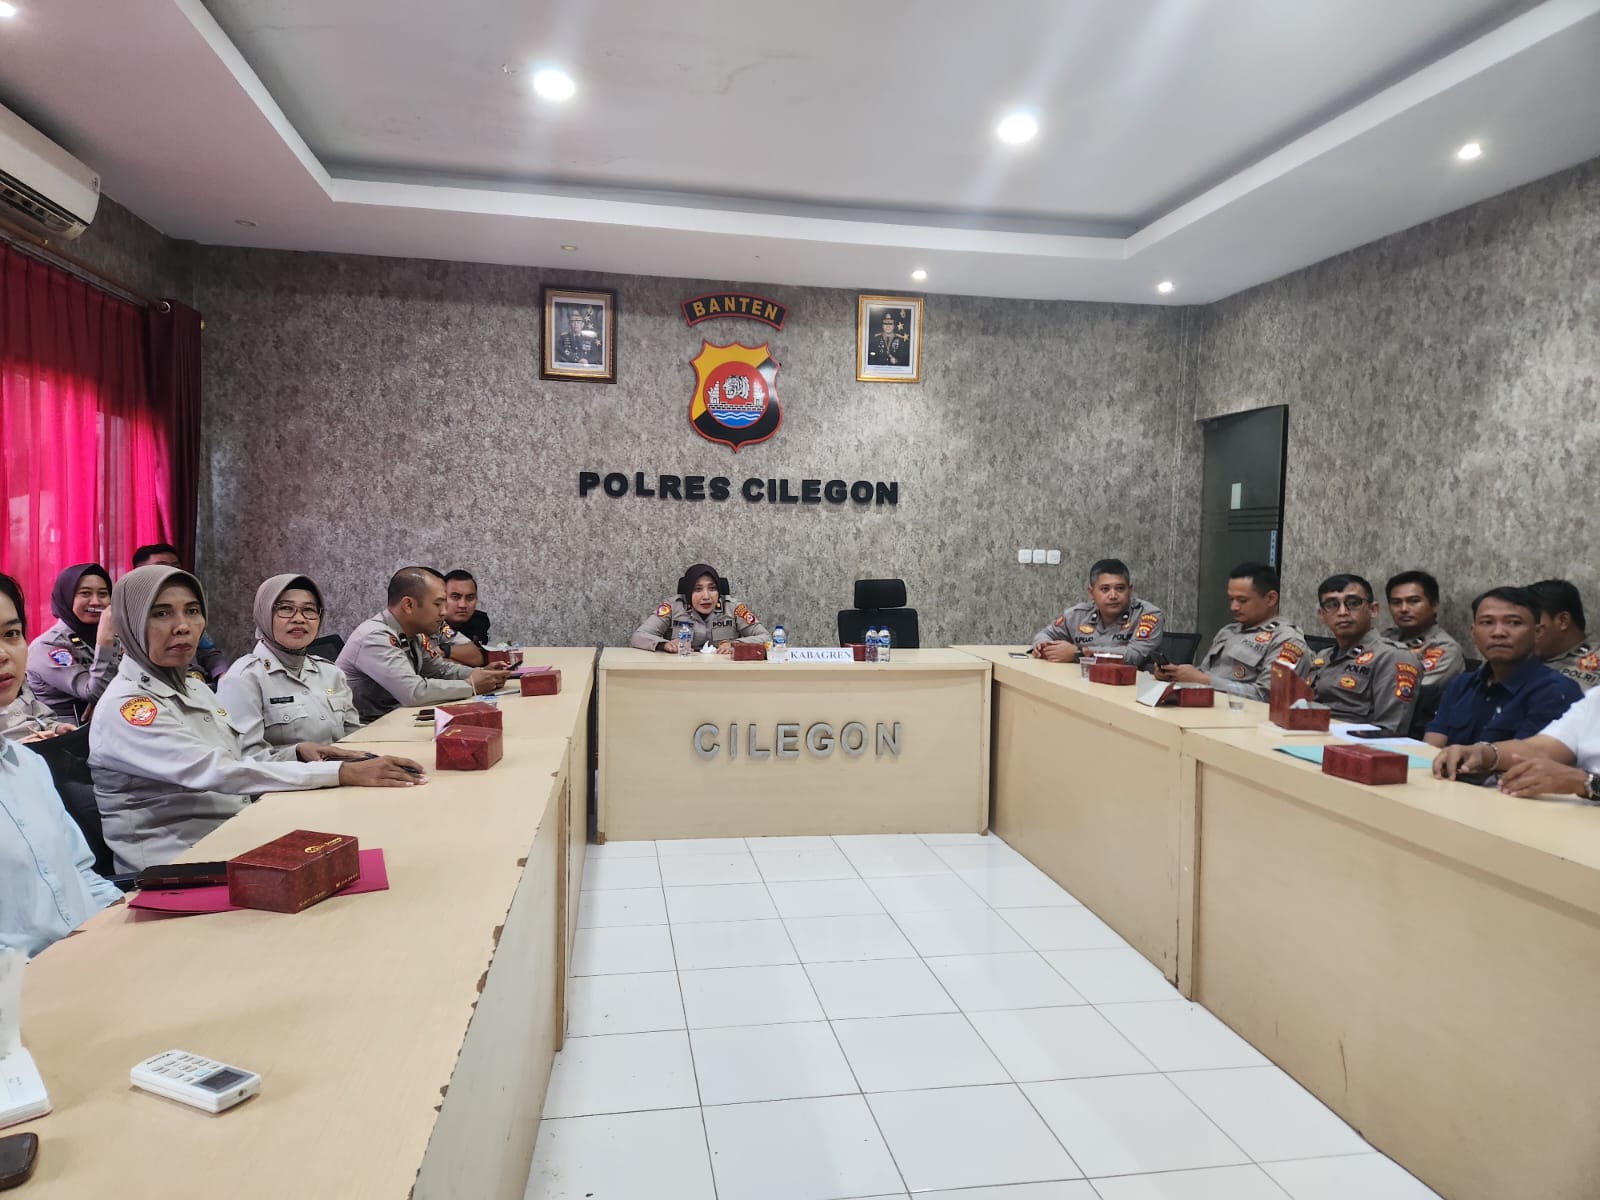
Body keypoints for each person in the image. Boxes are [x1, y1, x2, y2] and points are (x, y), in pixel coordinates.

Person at [89, 566, 424, 872]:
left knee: (386, 843)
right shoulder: (128, 708)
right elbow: (218, 771)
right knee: (361, 869)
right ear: (130, 623)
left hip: (239, 832)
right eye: (161, 613)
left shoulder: (194, 688)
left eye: (192, 611)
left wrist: (297, 753)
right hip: (180, 866)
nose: (183, 626)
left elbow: (239, 758)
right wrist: (341, 772)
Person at [0, 571, 124, 956]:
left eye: (11, 634)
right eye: (85, 593)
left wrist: (122, 926)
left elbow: (83, 874)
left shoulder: (27, 766)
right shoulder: (55, 648)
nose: (4, 654)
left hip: (92, 953)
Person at [337, 567, 510, 721]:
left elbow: (439, 670)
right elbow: (414, 692)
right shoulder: (375, 637)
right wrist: (471, 685)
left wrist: (482, 674)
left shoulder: (415, 633)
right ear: (409, 605)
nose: (444, 612)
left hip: (392, 719)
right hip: (364, 728)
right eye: (438, 604)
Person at [1423, 587, 1582, 747]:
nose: (1498, 633)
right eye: (1487, 622)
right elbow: (1432, 748)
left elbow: (1526, 755)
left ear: (1537, 633)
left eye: (1513, 623)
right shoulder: (1460, 685)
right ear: (1473, 632)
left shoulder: (1555, 691)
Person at [217, 575, 362, 749]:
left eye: (309, 609)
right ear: (264, 614)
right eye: (286, 608)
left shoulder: (332, 673)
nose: (299, 619)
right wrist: (299, 754)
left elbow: (355, 738)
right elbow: (245, 757)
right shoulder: (243, 679)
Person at [1153, 562, 1308, 700]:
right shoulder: (1228, 632)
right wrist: (1175, 675)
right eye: (1231, 599)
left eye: (1242, 600)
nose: (1234, 607)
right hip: (1206, 708)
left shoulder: (1287, 641)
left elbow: (1269, 696)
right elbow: (1204, 673)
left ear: (1270, 599)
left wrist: (1204, 681)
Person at [1294, 573, 1421, 735]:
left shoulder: (1393, 657)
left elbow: (1389, 731)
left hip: (1354, 744)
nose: (1342, 612)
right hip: (1309, 735)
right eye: (1332, 605)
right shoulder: (1323, 657)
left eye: (1353, 603)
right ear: (1322, 615)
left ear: (1373, 610)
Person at [1433, 686, 1600, 802]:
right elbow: (1542, 749)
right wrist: (1484, 753)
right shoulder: (1595, 698)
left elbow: (1578, 780)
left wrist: (1586, 782)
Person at [26, 563, 118, 723]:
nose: (95, 602)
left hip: (110, 724)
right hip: (67, 733)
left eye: (103, 594)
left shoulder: (115, 635)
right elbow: (93, 692)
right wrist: (105, 642)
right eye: (85, 593)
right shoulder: (47, 646)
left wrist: (107, 702)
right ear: (67, 598)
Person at [1031, 558, 1164, 667]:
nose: (1113, 596)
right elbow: (1045, 634)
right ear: (1091, 593)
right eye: (1105, 589)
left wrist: (1079, 654)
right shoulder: (1079, 615)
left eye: (1120, 588)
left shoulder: (1147, 615)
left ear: (1129, 590)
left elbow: (1133, 656)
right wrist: (1043, 645)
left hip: (1131, 684)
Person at [1381, 570, 1465, 732]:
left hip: (1409, 728)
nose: (1404, 609)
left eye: (1413, 601)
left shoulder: (1444, 649)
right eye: (1396, 602)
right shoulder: (1386, 637)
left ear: (1434, 606)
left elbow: (1409, 692)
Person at [132, 543, 229, 681]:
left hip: (197, 684)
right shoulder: (129, 620)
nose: (183, 626)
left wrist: (223, 676)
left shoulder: (185, 609)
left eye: (176, 567)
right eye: (162, 567)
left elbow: (210, 653)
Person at [631, 563, 769, 654]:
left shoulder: (733, 608)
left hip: (723, 674)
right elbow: (638, 636)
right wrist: (664, 645)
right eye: (697, 589)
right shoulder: (673, 606)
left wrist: (735, 644)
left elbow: (766, 638)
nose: (706, 596)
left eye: (712, 589)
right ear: (688, 592)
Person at [1529, 579, 1599, 692]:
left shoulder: (1596, 657)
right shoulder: (1517, 659)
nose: (1524, 630)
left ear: (1563, 621)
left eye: (1532, 621)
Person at [440, 569, 490, 668]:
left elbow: (479, 658)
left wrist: (442, 651)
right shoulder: (431, 623)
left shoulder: (479, 621)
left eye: (470, 598)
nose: (462, 605)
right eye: (455, 597)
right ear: (441, 598)